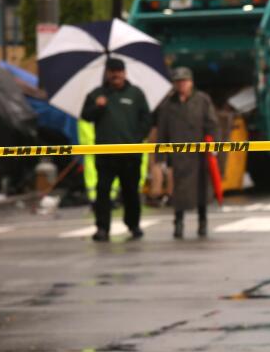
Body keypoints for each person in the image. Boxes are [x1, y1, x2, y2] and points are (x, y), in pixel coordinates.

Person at [80, 57, 152, 242]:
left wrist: (136, 139)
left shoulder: (136, 94)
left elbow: (147, 119)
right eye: (112, 71)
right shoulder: (97, 94)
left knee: (130, 192)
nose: (115, 75)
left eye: (119, 71)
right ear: (107, 73)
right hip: (106, 154)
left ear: (124, 73)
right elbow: (85, 116)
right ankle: (102, 228)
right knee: (103, 191)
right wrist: (98, 107)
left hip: (130, 154)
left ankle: (133, 225)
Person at [154, 67, 218, 239]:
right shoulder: (168, 105)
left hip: (200, 154)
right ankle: (178, 223)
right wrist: (161, 157)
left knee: (202, 190)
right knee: (179, 192)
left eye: (184, 81)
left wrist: (214, 147)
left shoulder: (202, 100)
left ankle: (202, 222)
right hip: (179, 155)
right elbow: (162, 132)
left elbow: (212, 124)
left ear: (191, 82)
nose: (181, 85)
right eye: (178, 82)